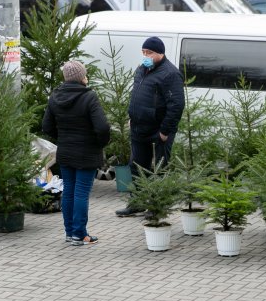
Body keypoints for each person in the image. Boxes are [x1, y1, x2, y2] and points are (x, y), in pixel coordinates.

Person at [115, 37, 185, 217]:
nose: (145, 56)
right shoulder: (142, 70)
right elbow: (137, 95)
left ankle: (157, 206)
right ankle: (137, 203)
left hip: (158, 131)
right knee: (136, 166)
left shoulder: (170, 74)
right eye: (144, 52)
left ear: (160, 53)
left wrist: (164, 131)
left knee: (158, 169)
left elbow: (176, 105)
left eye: (149, 53)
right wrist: (133, 117)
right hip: (139, 128)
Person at [42, 60, 111, 245]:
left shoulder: (55, 96)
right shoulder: (89, 97)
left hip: (65, 152)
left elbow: (46, 126)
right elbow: (103, 127)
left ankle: (70, 232)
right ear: (82, 77)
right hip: (86, 153)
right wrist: (99, 143)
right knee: (80, 193)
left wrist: (62, 137)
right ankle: (79, 234)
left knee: (69, 192)